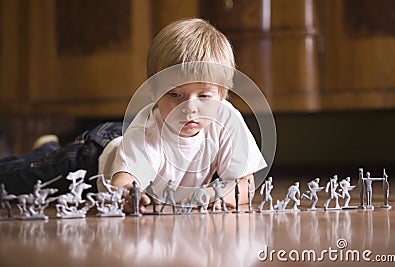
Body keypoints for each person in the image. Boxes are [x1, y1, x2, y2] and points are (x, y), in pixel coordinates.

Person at [0, 18, 267, 214]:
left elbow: (245, 184)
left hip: (126, 143)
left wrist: (213, 194)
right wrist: (131, 196)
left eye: (204, 96)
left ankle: (48, 144)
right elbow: (121, 184)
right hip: (94, 157)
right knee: (22, 176)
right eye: (175, 94)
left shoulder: (227, 120)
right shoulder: (147, 130)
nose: (190, 108)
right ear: (154, 92)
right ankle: (50, 151)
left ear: (223, 94)